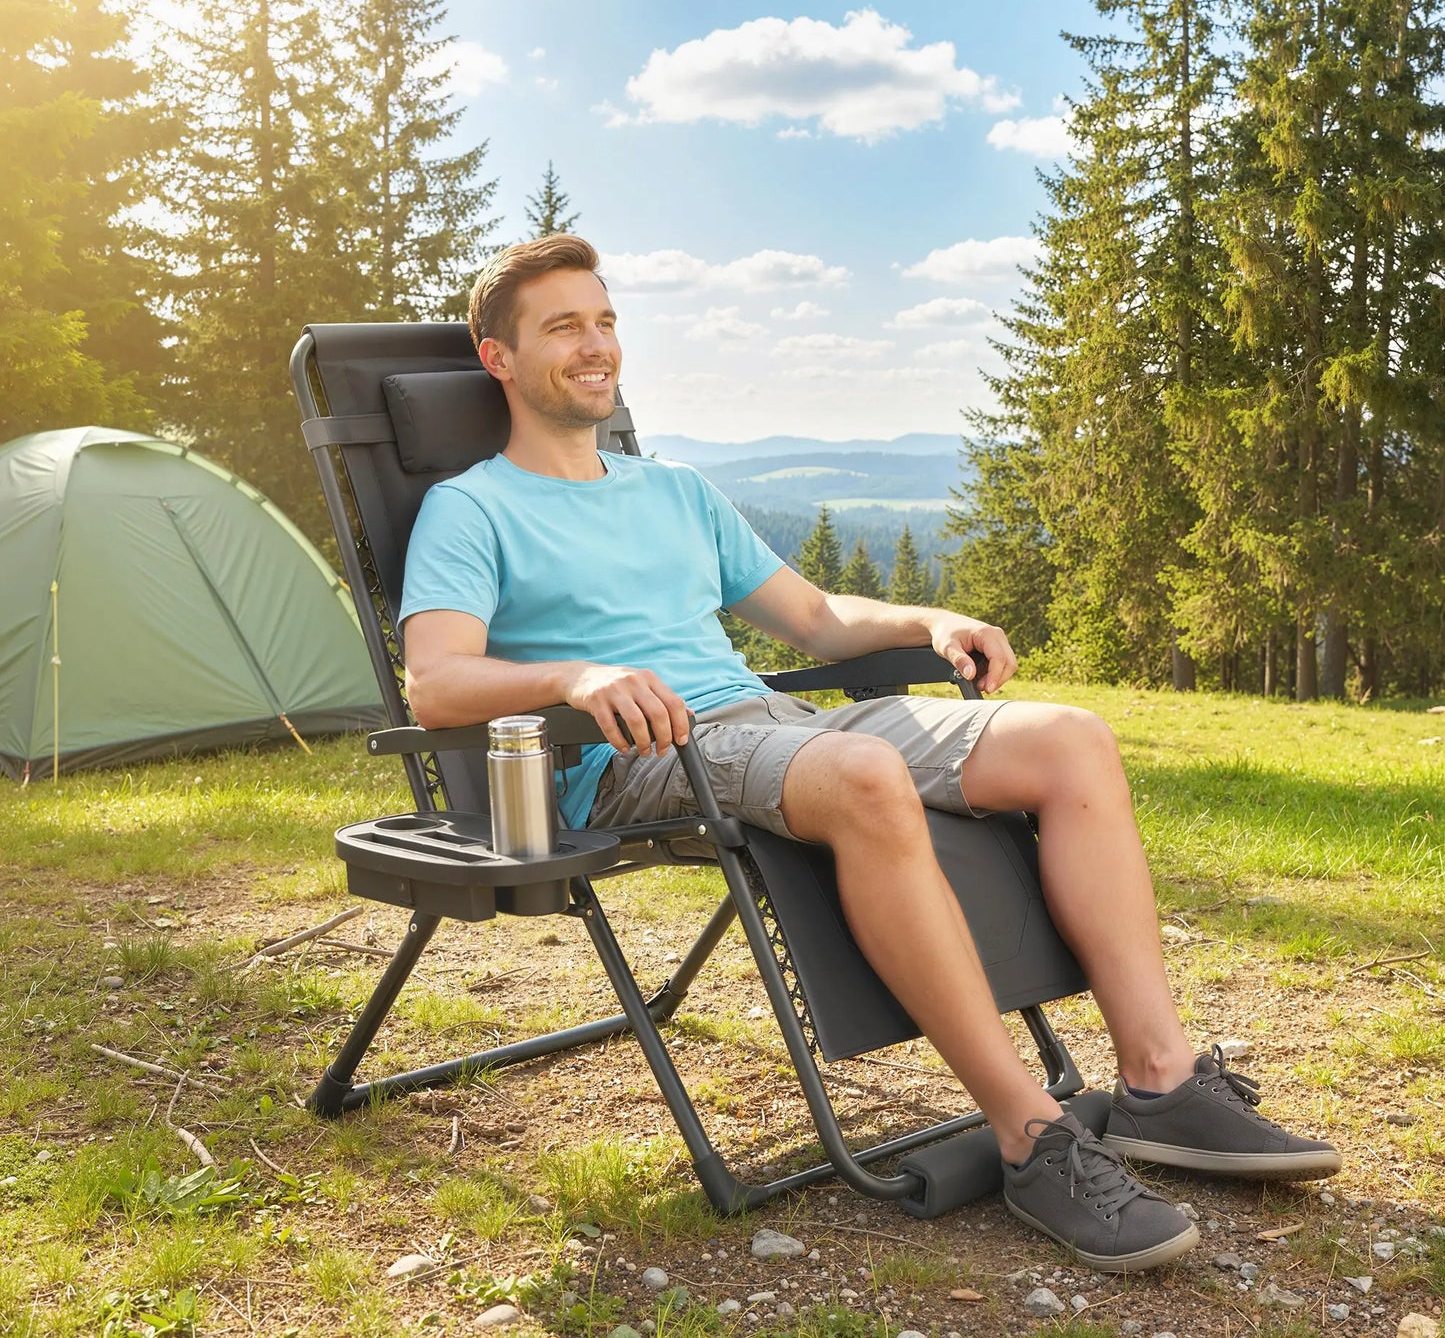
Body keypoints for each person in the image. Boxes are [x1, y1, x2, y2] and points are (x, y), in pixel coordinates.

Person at [399, 234, 1339, 1272]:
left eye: (606, 319)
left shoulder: (673, 490)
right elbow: (435, 680)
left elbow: (817, 619)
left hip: (768, 723)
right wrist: (571, 676)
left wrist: (927, 619)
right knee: (865, 775)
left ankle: (1161, 1081)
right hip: (636, 755)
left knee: (1070, 740)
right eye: (564, 326)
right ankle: (1033, 1135)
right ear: (499, 359)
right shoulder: (472, 505)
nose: (596, 345)